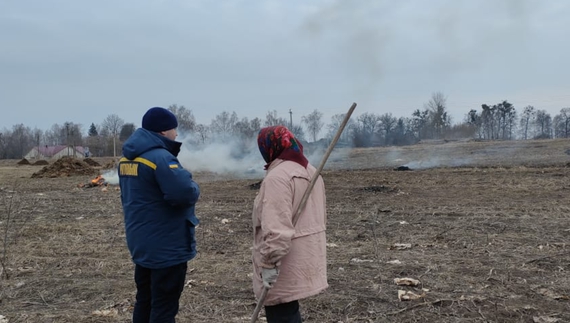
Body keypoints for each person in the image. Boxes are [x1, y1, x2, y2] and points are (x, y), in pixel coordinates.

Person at [118, 107, 200, 323]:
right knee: (164, 307)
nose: (176, 134)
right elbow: (183, 194)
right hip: (166, 247)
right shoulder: (161, 158)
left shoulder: (128, 159)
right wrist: (194, 185)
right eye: (174, 129)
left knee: (145, 300)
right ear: (163, 131)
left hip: (142, 242)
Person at [252, 125, 328, 323]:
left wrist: (268, 263)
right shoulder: (311, 171)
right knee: (288, 312)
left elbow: (276, 229)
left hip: (284, 261)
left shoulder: (277, 178)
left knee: (281, 313)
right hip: (306, 254)